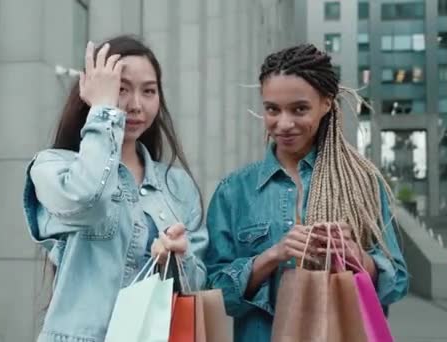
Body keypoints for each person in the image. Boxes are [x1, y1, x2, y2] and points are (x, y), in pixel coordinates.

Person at [205, 44, 409, 341]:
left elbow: (397, 282)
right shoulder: (234, 190)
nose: (284, 124)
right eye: (272, 109)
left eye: (299, 109)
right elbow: (215, 293)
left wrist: (357, 258)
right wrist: (273, 256)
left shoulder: (362, 182)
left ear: (326, 103)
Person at [22, 36, 208, 341]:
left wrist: (177, 256)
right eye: (121, 89)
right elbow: (87, 200)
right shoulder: (53, 168)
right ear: (94, 91)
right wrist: (104, 111)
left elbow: (197, 280)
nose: (136, 105)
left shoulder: (177, 185)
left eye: (149, 91)